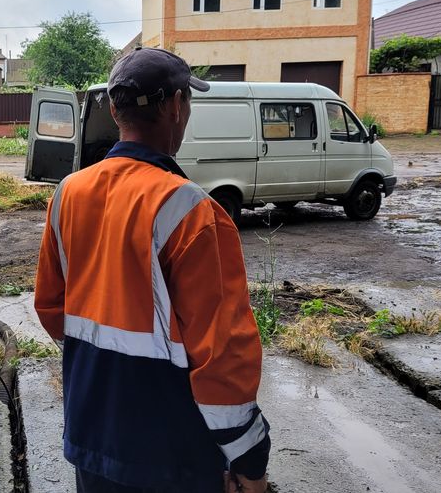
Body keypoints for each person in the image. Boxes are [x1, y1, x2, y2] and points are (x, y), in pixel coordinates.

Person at [34, 48, 270, 493]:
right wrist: (249, 460)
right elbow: (222, 356)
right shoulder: (193, 212)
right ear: (176, 106)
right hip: (170, 454)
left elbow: (51, 308)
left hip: (91, 433)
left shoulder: (69, 193)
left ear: (115, 109)